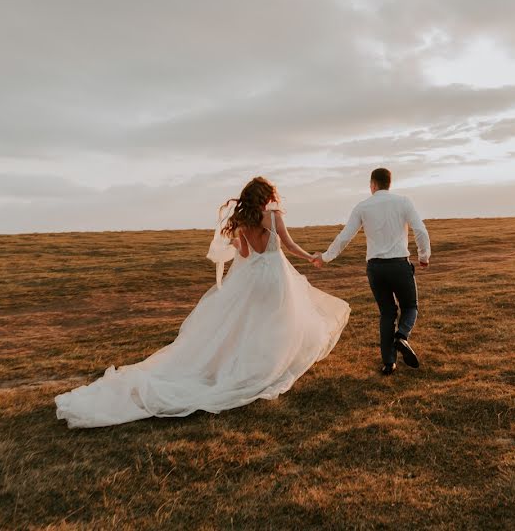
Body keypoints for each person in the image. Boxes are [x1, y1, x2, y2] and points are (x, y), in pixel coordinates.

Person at [55, 177, 350, 428]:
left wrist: (236, 244)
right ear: (267, 197)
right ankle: (264, 367)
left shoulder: (243, 222)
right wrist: (311, 256)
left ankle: (250, 363)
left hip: (254, 279)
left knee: (251, 323)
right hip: (275, 276)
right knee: (278, 322)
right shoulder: (273, 216)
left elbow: (246, 256)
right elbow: (288, 244)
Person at [312, 168, 430, 375]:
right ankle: (401, 337)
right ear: (388, 184)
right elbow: (420, 229)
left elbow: (344, 237)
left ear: (373, 185)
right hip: (399, 265)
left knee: (387, 312)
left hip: (375, 268)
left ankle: (388, 363)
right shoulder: (403, 202)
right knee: (410, 306)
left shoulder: (362, 207)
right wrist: (423, 257)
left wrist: (325, 256)